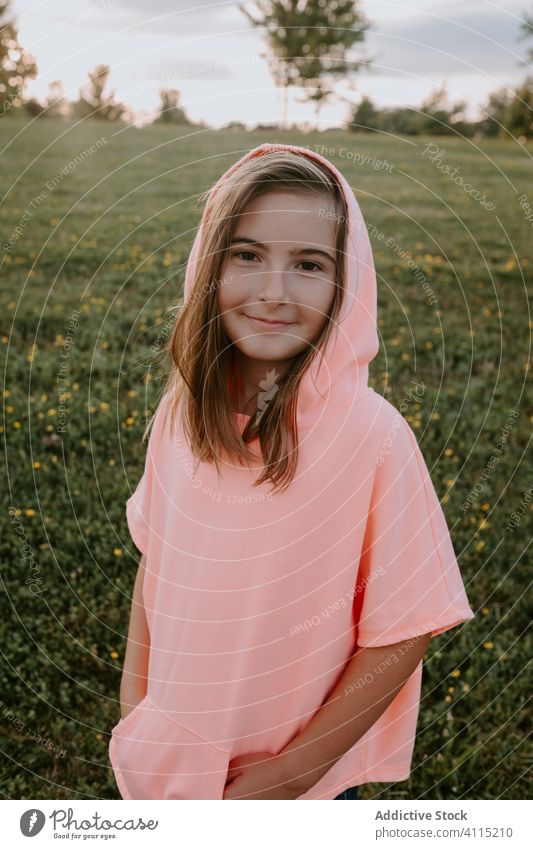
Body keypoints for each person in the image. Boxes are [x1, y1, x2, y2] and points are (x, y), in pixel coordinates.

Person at [108, 142, 475, 800]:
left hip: (292, 787)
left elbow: (405, 626)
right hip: (169, 762)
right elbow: (155, 559)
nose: (273, 292)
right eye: (246, 255)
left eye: (308, 264)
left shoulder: (372, 437)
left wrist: (292, 770)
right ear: (209, 265)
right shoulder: (181, 415)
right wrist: (136, 702)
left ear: (344, 283)